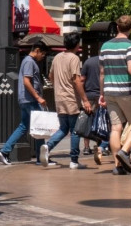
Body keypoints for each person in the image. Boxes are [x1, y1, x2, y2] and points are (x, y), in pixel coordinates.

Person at [100, 15, 131, 176]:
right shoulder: (130, 45)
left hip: (109, 91)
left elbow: (102, 72)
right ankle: (125, 151)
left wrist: (102, 94)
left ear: (117, 28)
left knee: (116, 128)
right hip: (126, 91)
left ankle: (118, 166)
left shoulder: (105, 46)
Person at [0, 41, 49, 165]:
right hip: (30, 99)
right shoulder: (30, 62)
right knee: (39, 127)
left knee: (24, 126)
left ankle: (5, 151)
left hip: (25, 99)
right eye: (43, 53)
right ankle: (40, 158)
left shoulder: (27, 61)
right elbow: (27, 81)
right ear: (37, 50)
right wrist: (38, 97)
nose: (43, 56)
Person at [43, 33, 92, 169]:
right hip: (71, 98)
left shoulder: (57, 57)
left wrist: (58, 86)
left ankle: (47, 146)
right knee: (75, 130)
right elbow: (76, 80)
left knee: (64, 128)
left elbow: (50, 75)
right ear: (77, 44)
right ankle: (74, 160)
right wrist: (85, 100)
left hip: (59, 98)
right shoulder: (74, 58)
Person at [79, 50, 103, 162]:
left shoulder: (88, 62)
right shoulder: (105, 62)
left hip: (88, 95)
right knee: (101, 121)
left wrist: (82, 97)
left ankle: (86, 147)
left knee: (87, 120)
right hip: (101, 95)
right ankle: (100, 146)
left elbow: (82, 80)